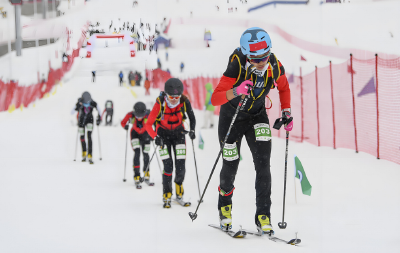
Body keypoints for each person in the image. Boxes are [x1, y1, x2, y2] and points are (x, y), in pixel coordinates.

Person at [210, 27, 292, 234]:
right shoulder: (236, 64)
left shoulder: (274, 64)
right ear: (246, 55)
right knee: (230, 164)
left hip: (257, 117)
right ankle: (225, 209)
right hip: (232, 118)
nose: (261, 62)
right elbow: (215, 99)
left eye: (264, 56)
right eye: (255, 59)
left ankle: (264, 215)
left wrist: (286, 111)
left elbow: (284, 87)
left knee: (263, 166)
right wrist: (236, 90)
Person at [145, 78, 196, 208]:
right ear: (166, 94)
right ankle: (167, 195)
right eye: (171, 97)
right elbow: (148, 124)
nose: (174, 99)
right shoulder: (160, 103)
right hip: (163, 137)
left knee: (180, 166)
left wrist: (192, 130)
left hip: (179, 135)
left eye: (177, 97)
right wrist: (155, 136)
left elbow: (192, 117)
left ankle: (179, 194)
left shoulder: (184, 101)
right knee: (168, 166)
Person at [121, 102, 152, 188]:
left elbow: (155, 123)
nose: (139, 118)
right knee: (137, 152)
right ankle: (137, 174)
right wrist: (125, 126)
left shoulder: (149, 114)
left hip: (146, 134)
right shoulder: (131, 114)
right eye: (137, 116)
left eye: (141, 116)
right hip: (135, 134)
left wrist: (153, 134)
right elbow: (123, 122)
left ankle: (146, 173)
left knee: (146, 153)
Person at [75, 92, 102, 164]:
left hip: (90, 120)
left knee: (89, 136)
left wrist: (99, 118)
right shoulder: (80, 102)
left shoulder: (92, 103)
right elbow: (75, 109)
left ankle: (90, 153)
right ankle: (84, 151)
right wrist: (78, 104)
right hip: (81, 121)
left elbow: (99, 110)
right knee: (82, 136)